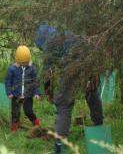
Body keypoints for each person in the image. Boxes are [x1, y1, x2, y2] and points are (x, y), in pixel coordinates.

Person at [35, 23, 103, 154]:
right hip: (90, 61)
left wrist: (49, 91)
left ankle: (60, 144)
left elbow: (47, 73)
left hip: (73, 68)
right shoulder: (66, 32)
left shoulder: (49, 44)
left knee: (63, 104)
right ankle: (99, 126)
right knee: (92, 93)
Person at [5, 45, 41, 131]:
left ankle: (37, 124)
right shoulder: (12, 69)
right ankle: (14, 129)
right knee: (15, 113)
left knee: (28, 111)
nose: (25, 64)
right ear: (18, 61)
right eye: (23, 63)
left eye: (26, 62)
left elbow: (35, 82)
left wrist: (36, 93)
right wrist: (9, 92)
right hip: (16, 95)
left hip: (28, 95)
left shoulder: (32, 69)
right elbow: (7, 81)